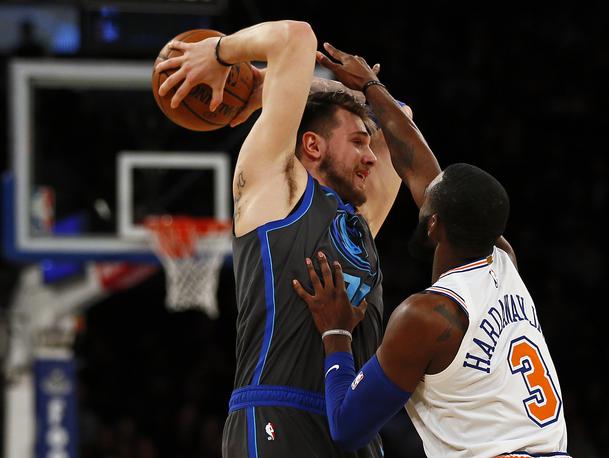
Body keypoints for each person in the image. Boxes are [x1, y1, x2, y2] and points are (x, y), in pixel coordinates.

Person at [155, 21, 422, 458]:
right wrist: (222, 53)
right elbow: (295, 37)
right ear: (312, 146)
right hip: (276, 414)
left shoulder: (359, 220)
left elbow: (401, 121)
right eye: (357, 142)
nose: (371, 156)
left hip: (352, 422)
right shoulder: (274, 188)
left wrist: (286, 90)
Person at [292, 47, 569, 457]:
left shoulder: (426, 316)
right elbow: (423, 170)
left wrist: (336, 333)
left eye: (428, 206)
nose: (421, 199)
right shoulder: (503, 264)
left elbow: (347, 428)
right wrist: (371, 87)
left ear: (435, 223)